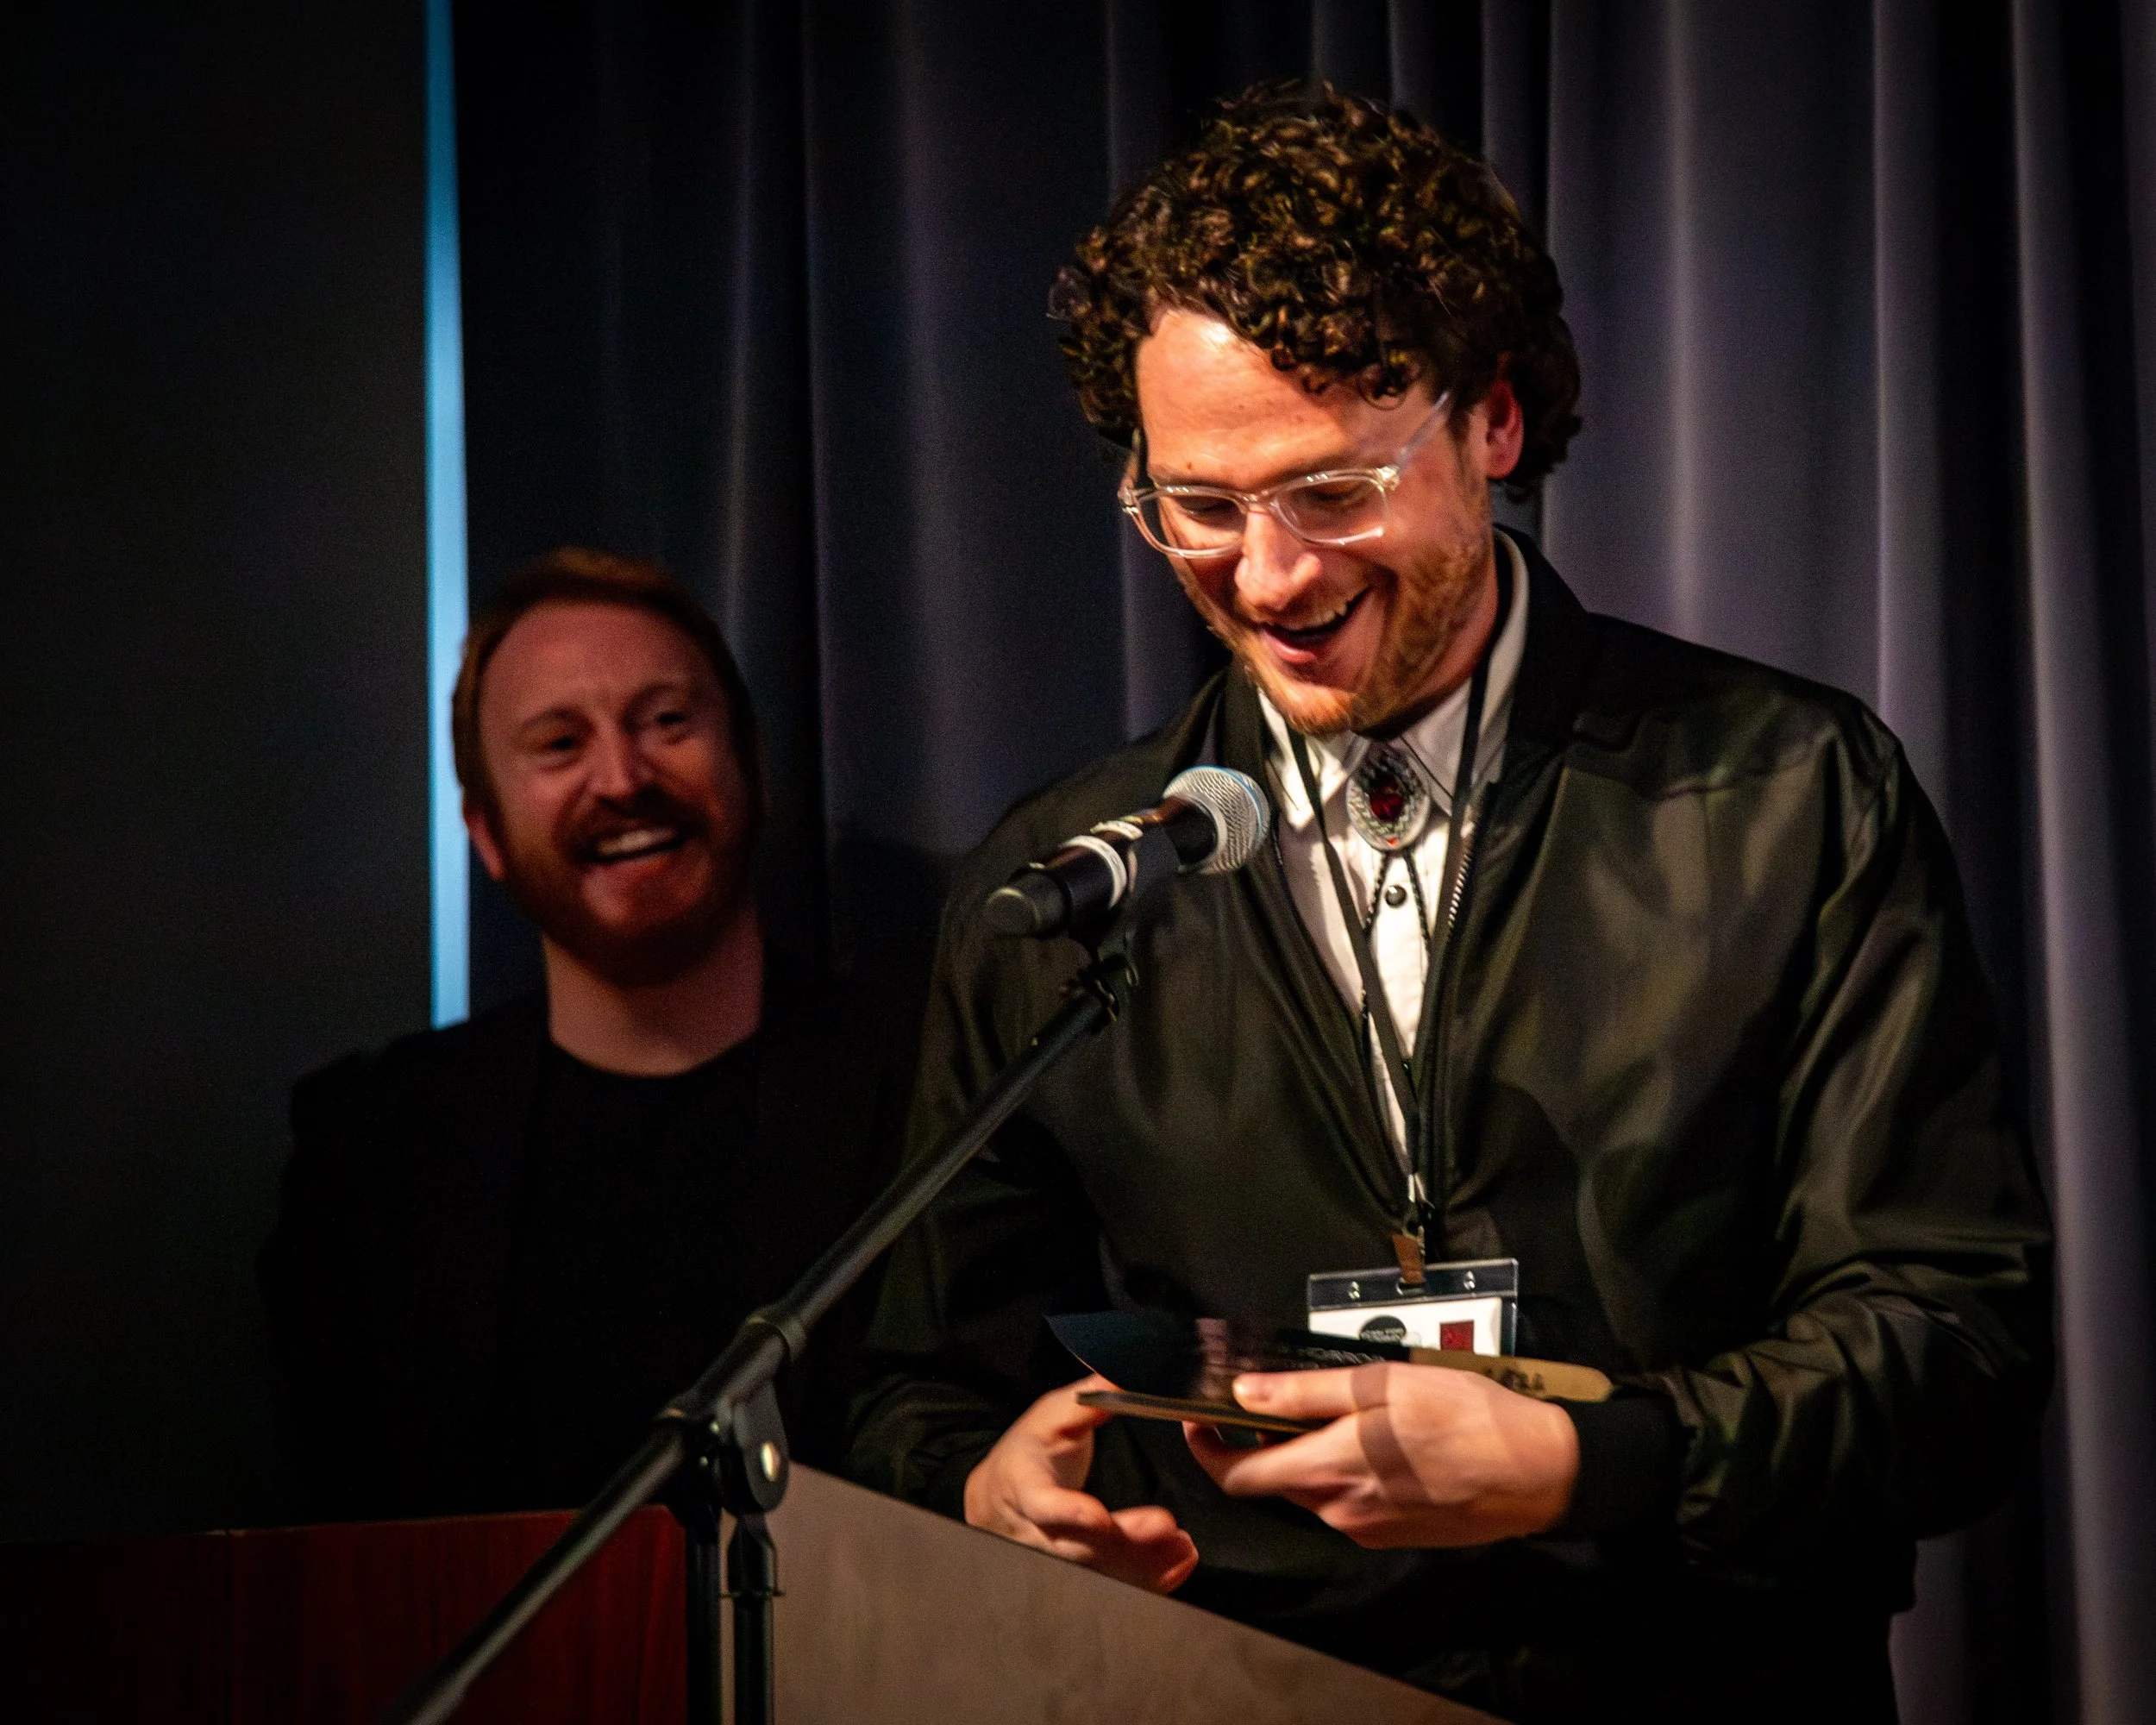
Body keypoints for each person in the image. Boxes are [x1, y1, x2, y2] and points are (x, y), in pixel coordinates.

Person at [844, 83, 2052, 1722]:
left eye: (1334, 491)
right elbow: (916, 1377)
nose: (1269, 577)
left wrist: (1586, 1460)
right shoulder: (1064, 876)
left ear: (1491, 424)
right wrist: (981, 1494)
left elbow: (1954, 1356)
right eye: (1198, 506)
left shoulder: (1786, 792)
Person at [262, 549, 900, 1521]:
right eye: (559, 743)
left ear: (750, 764)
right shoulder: (372, 1152)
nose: (623, 776)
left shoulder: (925, 1088)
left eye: (667, 721)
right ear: (484, 832)